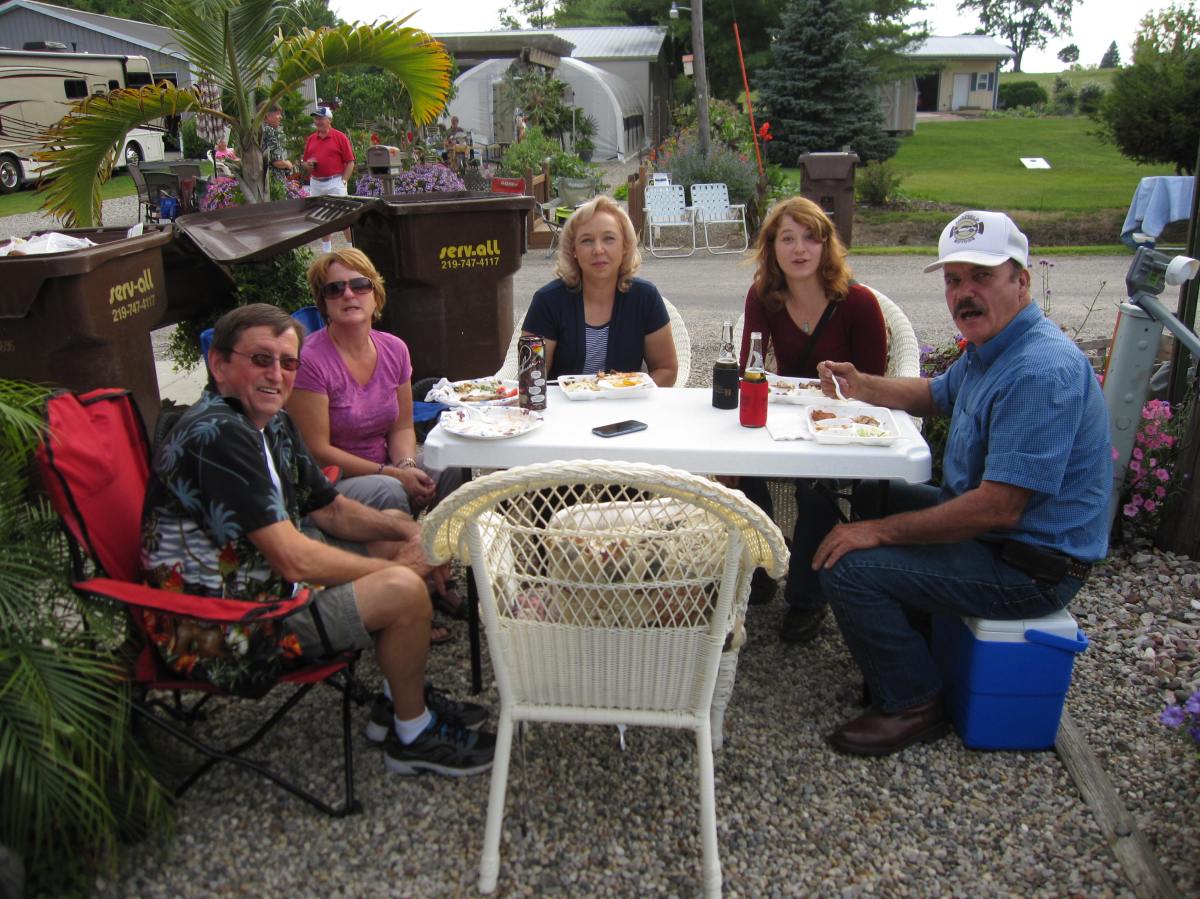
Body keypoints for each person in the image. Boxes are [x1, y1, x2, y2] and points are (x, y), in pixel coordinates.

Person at [142, 303, 494, 776]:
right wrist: (398, 571)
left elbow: (330, 508)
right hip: (221, 626)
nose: (277, 375)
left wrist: (415, 532)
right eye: (261, 359)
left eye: (288, 363)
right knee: (402, 586)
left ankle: (397, 705)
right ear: (218, 364)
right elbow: (293, 558)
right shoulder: (216, 435)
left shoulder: (270, 422)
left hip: (264, 587)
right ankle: (412, 738)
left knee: (394, 529)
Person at [812, 211, 1112, 757]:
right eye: (954, 280)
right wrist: (862, 385)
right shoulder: (993, 346)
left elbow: (997, 509)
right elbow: (935, 395)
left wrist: (877, 533)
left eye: (982, 276)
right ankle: (918, 637)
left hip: (1029, 565)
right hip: (997, 537)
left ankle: (913, 702)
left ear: (1021, 280)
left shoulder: (1039, 370)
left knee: (848, 565)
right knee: (871, 494)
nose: (964, 293)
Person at [287, 249, 466, 634]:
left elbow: (401, 426)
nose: (349, 294)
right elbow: (317, 449)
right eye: (335, 289)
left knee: (455, 468)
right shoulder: (311, 360)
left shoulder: (393, 349)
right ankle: (409, 596)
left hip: (387, 464)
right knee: (389, 491)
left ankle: (436, 564)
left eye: (359, 284)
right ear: (323, 302)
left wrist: (406, 466)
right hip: (333, 480)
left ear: (375, 293)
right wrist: (394, 475)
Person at [734, 196, 887, 645]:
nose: (799, 249)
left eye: (810, 238)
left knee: (816, 484)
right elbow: (750, 368)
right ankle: (763, 568)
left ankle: (805, 596)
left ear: (825, 246)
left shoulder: (858, 302)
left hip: (841, 424)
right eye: (787, 239)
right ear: (772, 248)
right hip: (786, 418)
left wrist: (841, 387)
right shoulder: (763, 296)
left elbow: (874, 386)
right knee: (737, 464)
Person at [522, 195, 678, 386]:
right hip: (563, 404)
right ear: (573, 250)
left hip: (627, 402)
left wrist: (626, 394)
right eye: (587, 240)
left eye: (609, 238)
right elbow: (530, 378)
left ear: (624, 245)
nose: (598, 249)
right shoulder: (547, 301)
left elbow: (666, 370)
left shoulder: (645, 298)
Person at [302, 106, 355, 252]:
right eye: (316, 118)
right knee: (322, 217)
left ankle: (351, 249)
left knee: (343, 216)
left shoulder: (340, 137)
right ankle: (327, 251)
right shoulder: (311, 139)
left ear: (329, 120)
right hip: (316, 182)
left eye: (320, 118)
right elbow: (305, 161)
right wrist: (307, 165)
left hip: (335, 181)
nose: (317, 121)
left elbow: (350, 162)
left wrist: (343, 181)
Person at [260, 103, 293, 184]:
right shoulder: (269, 130)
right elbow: (277, 162)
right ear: (268, 116)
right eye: (278, 114)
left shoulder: (259, 129)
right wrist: (288, 164)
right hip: (273, 181)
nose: (281, 117)